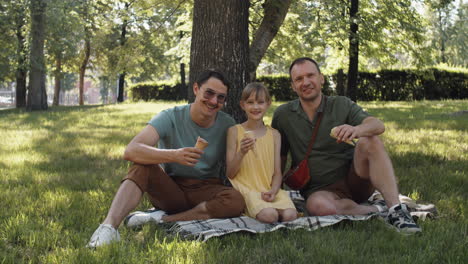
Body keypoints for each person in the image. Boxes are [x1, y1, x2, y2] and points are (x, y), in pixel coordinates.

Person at [87, 70, 246, 248]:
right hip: (172, 189)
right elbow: (131, 150)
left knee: (235, 200)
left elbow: (234, 167)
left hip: (206, 188)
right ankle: (108, 227)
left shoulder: (227, 124)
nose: (214, 101)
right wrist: (174, 155)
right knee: (141, 166)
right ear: (196, 89)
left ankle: (162, 219)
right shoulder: (171, 116)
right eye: (209, 93)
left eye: (221, 97)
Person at [271, 57, 421, 234]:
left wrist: (357, 129)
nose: (306, 82)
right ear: (293, 86)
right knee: (317, 206)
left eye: (310, 75)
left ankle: (397, 210)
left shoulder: (341, 104)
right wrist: (279, 199)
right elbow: (279, 159)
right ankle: (377, 211)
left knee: (369, 140)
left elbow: (378, 125)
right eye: (299, 79)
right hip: (319, 190)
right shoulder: (283, 115)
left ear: (321, 78)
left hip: (355, 180)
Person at [226, 83, 297, 223]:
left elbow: (277, 172)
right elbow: (230, 173)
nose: (255, 107)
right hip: (249, 191)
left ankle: (273, 206)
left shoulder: (275, 135)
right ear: (242, 105)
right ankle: (266, 210)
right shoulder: (234, 132)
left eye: (260, 102)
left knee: (291, 216)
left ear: (268, 104)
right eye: (250, 102)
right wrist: (241, 152)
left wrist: (274, 190)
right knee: (270, 216)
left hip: (269, 189)